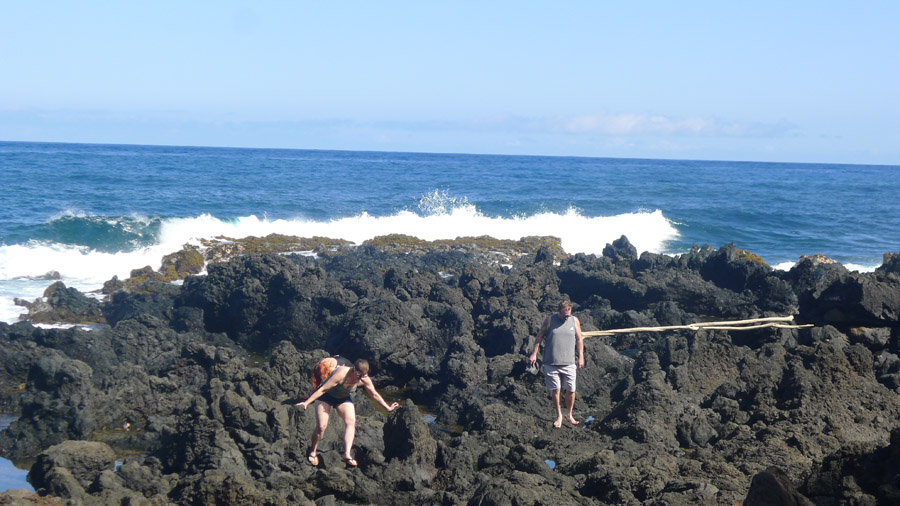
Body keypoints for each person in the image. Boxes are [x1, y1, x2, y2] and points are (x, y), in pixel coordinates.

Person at [296, 357, 399, 467]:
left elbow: (374, 395)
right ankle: (312, 451)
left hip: (343, 398)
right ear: (353, 369)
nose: (360, 378)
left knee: (351, 422)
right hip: (326, 396)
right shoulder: (341, 374)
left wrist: (387, 408)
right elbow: (323, 389)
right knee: (322, 426)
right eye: (358, 375)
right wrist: (306, 403)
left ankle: (346, 455)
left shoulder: (364, 378)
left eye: (363, 376)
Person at [528, 300, 585, 428]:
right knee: (556, 390)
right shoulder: (549, 320)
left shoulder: (574, 320)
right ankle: (559, 415)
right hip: (551, 362)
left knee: (571, 389)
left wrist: (581, 357)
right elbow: (539, 337)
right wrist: (534, 354)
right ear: (558, 311)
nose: (566, 317)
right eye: (564, 315)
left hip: (569, 362)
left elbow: (579, 339)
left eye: (568, 314)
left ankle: (569, 415)